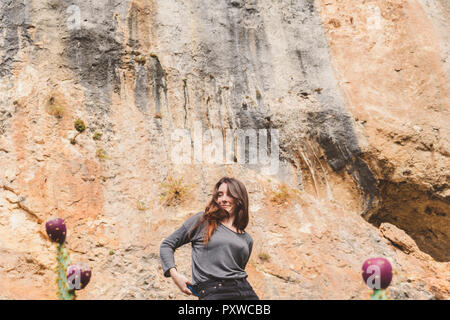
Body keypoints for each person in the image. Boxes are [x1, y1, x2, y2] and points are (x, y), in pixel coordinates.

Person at [160, 176, 259, 300]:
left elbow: (235, 270)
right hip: (215, 292)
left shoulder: (247, 239)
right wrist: (175, 276)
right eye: (220, 195)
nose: (223, 199)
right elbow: (167, 245)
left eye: (229, 194)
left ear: (240, 198)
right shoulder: (202, 221)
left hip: (246, 292)